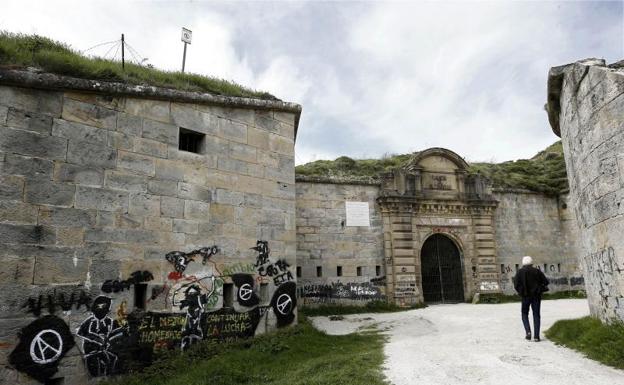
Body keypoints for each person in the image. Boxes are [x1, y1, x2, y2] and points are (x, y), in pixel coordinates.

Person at [513, 256, 549, 342]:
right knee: (536, 315)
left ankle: (528, 332)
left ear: (523, 263)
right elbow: (546, 282)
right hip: (536, 296)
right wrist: (539, 288)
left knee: (524, 314)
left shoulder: (519, 272)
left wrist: (521, 292)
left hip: (525, 297)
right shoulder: (537, 271)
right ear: (532, 263)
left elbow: (516, 284)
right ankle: (536, 336)